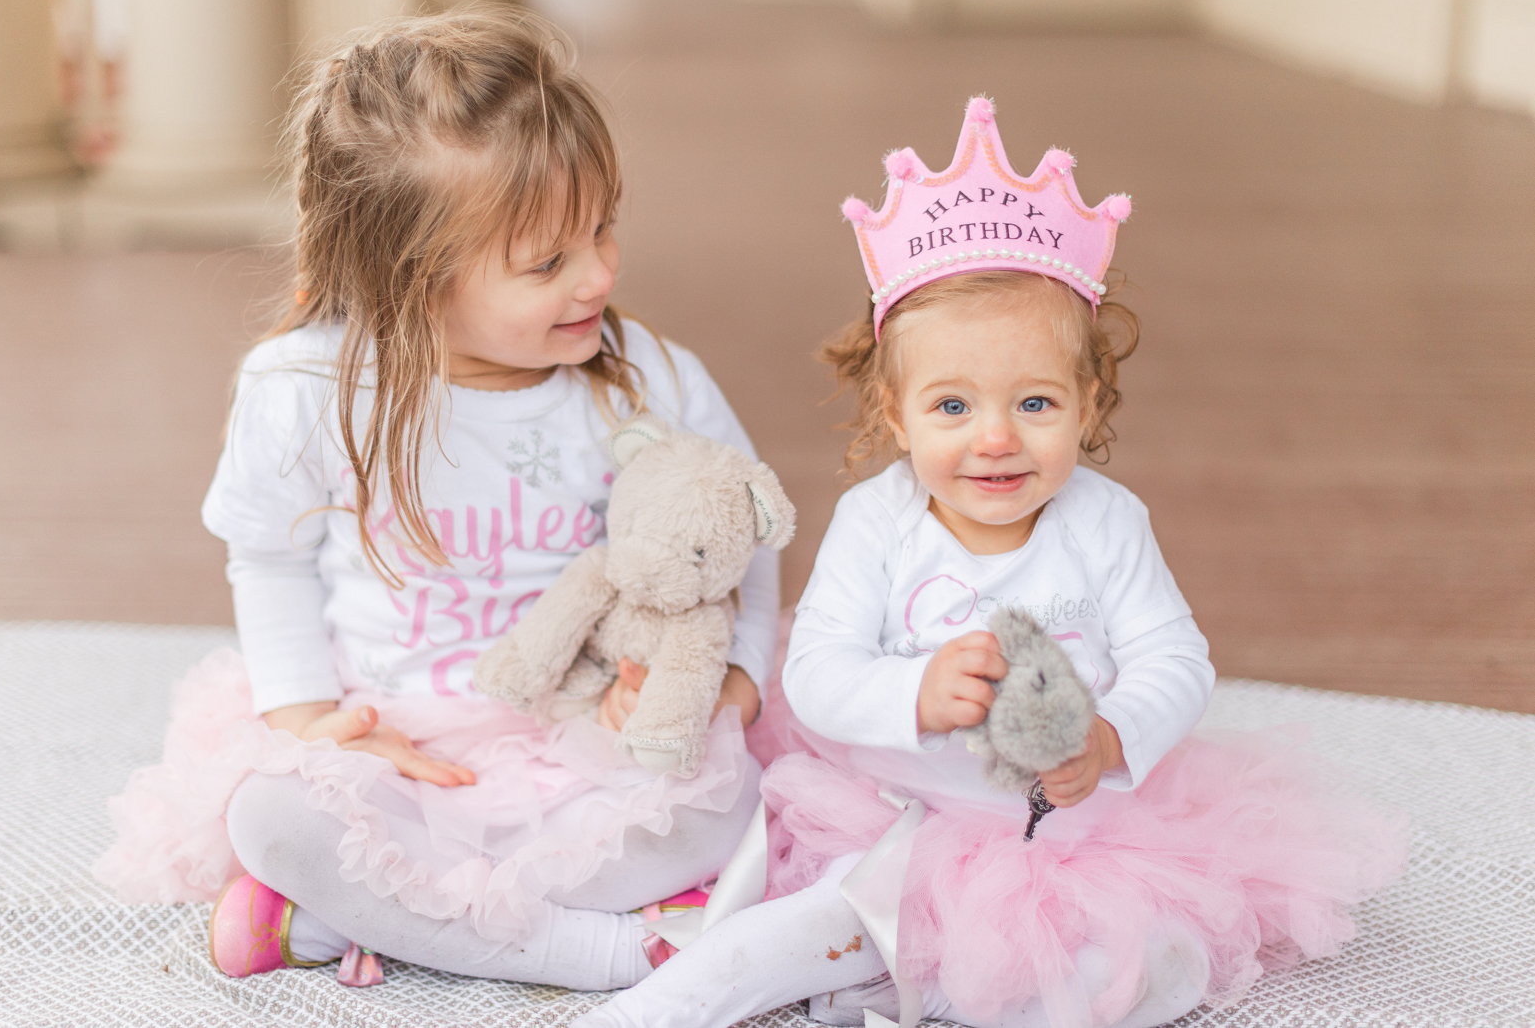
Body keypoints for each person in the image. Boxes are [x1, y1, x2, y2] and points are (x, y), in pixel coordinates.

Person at [573, 97, 1407, 1028]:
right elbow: (814, 671)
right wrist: (915, 695)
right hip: (898, 818)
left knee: (1143, 970)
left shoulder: (1107, 522)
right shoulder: (875, 521)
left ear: (1088, 404)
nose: (997, 440)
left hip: (1078, 841)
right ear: (894, 415)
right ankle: (762, 985)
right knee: (774, 941)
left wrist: (1109, 738)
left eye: (1037, 404)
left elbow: (1177, 658)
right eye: (952, 408)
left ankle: (909, 983)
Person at [92, 6, 778, 992]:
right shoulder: (306, 392)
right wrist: (306, 718)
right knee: (269, 813)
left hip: (582, 735)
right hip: (392, 741)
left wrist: (738, 682)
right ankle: (579, 947)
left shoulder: (646, 382)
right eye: (549, 263)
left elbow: (741, 536)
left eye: (604, 225)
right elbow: (271, 557)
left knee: (729, 796)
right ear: (407, 282)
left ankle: (354, 919)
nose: (601, 272)